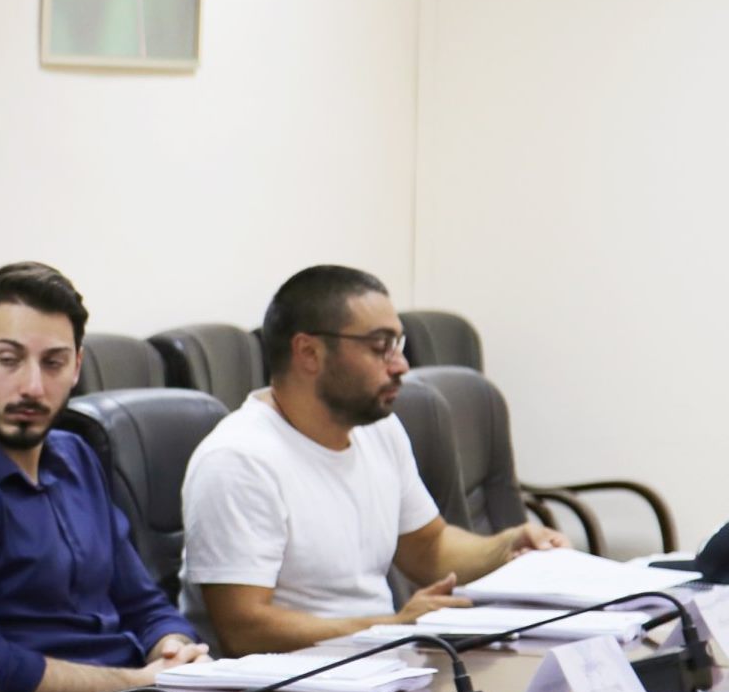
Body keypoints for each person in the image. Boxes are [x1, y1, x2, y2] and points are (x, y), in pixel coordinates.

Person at [181, 265, 566, 653]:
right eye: (380, 347)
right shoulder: (238, 460)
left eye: (399, 345)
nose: (401, 365)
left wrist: (508, 547)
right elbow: (244, 629)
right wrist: (391, 627)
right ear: (309, 353)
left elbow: (428, 548)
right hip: (291, 680)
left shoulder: (379, 430)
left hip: (382, 662)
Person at [0, 263, 210, 692]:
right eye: (9, 360)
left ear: (77, 366)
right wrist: (139, 683)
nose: (33, 386)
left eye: (53, 363)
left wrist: (173, 649)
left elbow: (142, 602)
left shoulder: (76, 455)